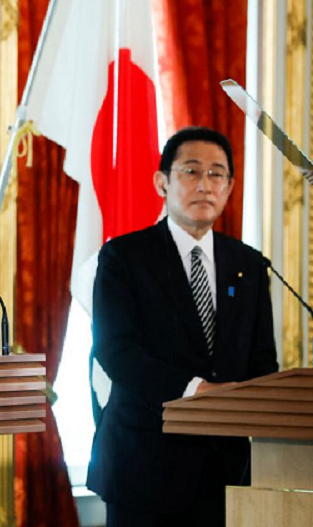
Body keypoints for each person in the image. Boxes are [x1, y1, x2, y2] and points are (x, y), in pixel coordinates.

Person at [87, 126, 278, 527]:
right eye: (191, 171)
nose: (205, 184)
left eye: (216, 174)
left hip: (230, 472)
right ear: (163, 182)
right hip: (144, 465)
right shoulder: (124, 257)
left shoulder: (250, 265)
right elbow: (116, 352)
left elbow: (262, 361)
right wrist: (197, 391)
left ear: (229, 188)